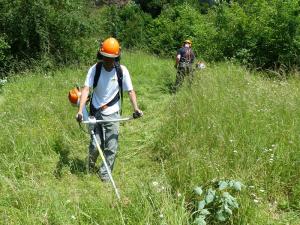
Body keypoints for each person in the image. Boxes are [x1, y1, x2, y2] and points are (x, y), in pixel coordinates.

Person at [76, 37, 143, 182]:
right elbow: (86, 89)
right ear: (101, 55)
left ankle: (105, 175)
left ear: (117, 56)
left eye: (112, 58)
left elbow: (130, 91)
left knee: (111, 147)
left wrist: (136, 109)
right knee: (95, 145)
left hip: (112, 113)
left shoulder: (122, 71)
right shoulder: (95, 69)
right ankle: (90, 167)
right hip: (95, 112)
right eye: (106, 57)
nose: (108, 61)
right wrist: (81, 111)